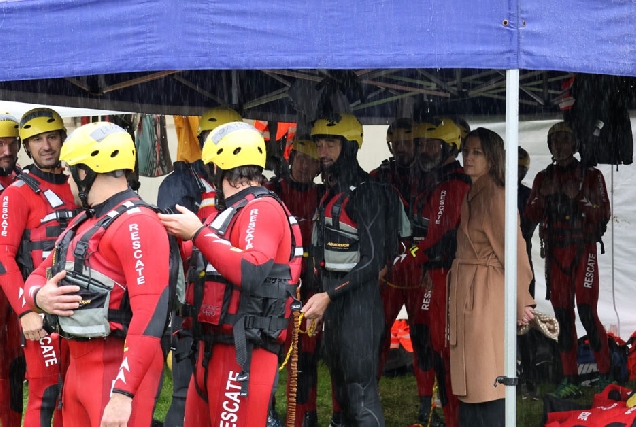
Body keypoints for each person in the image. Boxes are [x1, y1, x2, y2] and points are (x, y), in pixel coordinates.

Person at [23, 121, 171, 427]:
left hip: (115, 366)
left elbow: (149, 316)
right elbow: (36, 277)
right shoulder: (86, 222)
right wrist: (41, 297)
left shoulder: (137, 223)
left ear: (85, 171)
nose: (68, 178)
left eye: (70, 169)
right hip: (79, 366)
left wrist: (122, 394)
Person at [159, 121, 302, 427]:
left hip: (243, 354)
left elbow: (251, 270)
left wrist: (197, 232)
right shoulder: (229, 211)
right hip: (211, 349)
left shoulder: (262, 209)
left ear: (216, 166)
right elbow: (205, 260)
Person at [156, 107, 242, 427]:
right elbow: (168, 248)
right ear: (202, 141)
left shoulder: (244, 186)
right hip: (193, 300)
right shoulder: (180, 183)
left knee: (228, 389)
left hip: (233, 301)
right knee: (187, 390)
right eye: (214, 140)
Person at [303, 113, 387, 427]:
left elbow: (372, 261)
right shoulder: (331, 190)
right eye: (319, 144)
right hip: (336, 306)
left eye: (331, 144)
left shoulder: (367, 191)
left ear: (350, 145)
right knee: (341, 389)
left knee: (360, 392)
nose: (322, 151)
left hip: (360, 308)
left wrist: (329, 294)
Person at [448, 127, 535, 427]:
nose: (468, 158)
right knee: (473, 373)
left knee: (488, 373)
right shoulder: (474, 191)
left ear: (492, 157)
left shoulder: (496, 195)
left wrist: (523, 301)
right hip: (470, 288)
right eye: (466, 151)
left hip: (486, 293)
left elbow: (515, 251)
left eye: (477, 153)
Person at [0, 108, 79, 427]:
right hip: (40, 314)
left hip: (80, 308)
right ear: (26, 146)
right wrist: (25, 311)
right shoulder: (16, 194)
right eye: (36, 140)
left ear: (63, 139)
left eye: (52, 137)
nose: (46, 146)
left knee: (74, 391)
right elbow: (3, 258)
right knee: (46, 392)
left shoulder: (80, 185)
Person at [524, 122, 611, 398]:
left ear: (574, 145)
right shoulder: (542, 177)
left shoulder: (591, 175)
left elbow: (602, 214)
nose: (560, 145)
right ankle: (569, 377)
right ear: (550, 146)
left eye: (565, 140)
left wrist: (579, 199)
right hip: (555, 254)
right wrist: (543, 199)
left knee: (586, 311)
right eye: (555, 141)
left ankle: (606, 374)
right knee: (563, 316)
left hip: (582, 250)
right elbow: (530, 216)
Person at [395, 118, 471, 427]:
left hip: (445, 275)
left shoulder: (452, 184)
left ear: (449, 147)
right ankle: (437, 409)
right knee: (428, 342)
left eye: (431, 144)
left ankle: (452, 416)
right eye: (422, 144)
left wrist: (405, 259)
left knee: (441, 350)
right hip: (435, 273)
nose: (423, 150)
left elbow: (435, 236)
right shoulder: (438, 181)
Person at [371, 117, 439, 426]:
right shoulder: (380, 175)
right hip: (391, 267)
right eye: (395, 143)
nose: (400, 148)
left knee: (423, 337)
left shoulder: (433, 176)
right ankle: (368, 394)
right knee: (378, 332)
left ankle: (427, 402)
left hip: (421, 268)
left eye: (406, 142)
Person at [264, 137, 323, 427]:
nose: (304, 165)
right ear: (290, 160)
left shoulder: (324, 196)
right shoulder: (273, 192)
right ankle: (268, 411)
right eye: (300, 158)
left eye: (311, 161)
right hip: (278, 286)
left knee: (306, 358)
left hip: (311, 287)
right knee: (272, 351)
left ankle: (306, 414)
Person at [0, 113, 25, 427]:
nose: (6, 150)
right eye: (0, 144)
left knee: (14, 361)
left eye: (11, 143)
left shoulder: (23, 179)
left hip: (14, 280)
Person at [516, 146, 540, 400]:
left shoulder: (528, 194)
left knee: (524, 322)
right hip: (499, 265)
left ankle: (530, 379)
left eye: (520, 168)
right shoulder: (493, 192)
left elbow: (529, 227)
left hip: (523, 266)